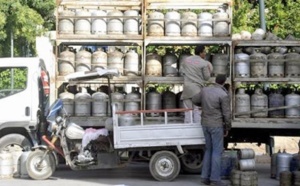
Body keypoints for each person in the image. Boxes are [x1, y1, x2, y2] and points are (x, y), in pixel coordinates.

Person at [192, 74, 231, 186]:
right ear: (224, 82)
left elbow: (195, 99)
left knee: (208, 150)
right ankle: (215, 179)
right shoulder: (223, 94)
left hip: (205, 124)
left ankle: (204, 177)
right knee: (217, 152)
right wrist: (227, 127)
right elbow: (226, 114)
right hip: (216, 125)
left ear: (215, 80)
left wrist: (202, 104)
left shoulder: (205, 90)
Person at [180, 45, 212, 124]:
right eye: (204, 52)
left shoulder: (186, 60)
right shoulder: (203, 63)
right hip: (197, 91)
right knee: (197, 112)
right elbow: (207, 77)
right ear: (200, 53)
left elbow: (181, 71)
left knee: (188, 112)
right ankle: (197, 131)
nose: (205, 54)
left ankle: (187, 131)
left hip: (187, 90)